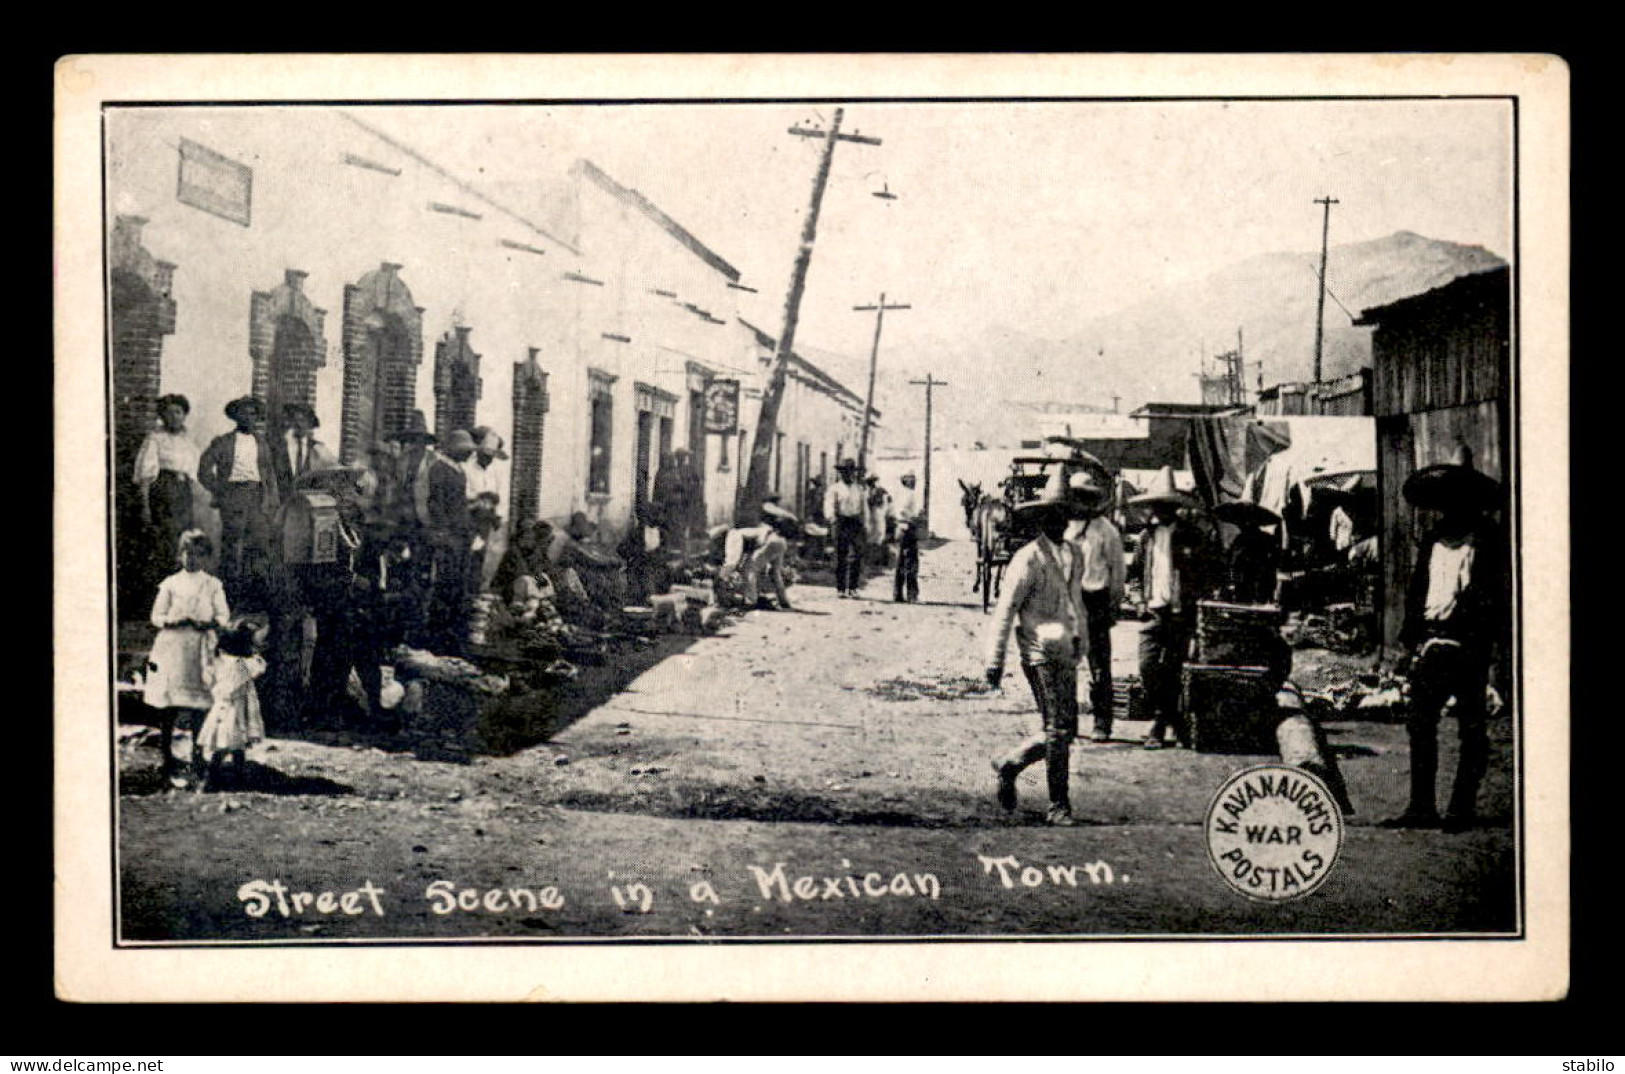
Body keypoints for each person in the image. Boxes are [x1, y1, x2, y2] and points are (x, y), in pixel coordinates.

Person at [1383, 445, 1506, 833]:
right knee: (1420, 724)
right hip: (1432, 643)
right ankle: (1422, 807)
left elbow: (1495, 596)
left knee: (1472, 728)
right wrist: (1412, 638)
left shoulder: (1488, 539)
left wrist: (1480, 631)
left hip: (1469, 643)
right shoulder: (1433, 540)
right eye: (1446, 501)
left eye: (1459, 500)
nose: (1451, 507)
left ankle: (1461, 808)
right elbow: (1418, 592)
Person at [984, 468, 1090, 826]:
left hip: (1066, 651)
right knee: (1059, 729)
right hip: (1038, 652)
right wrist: (994, 660)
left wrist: (1083, 645)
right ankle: (1058, 804)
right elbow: (1005, 609)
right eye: (1053, 516)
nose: (1060, 523)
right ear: (1043, 518)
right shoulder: (1028, 558)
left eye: (1065, 517)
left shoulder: (1074, 554)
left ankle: (1012, 762)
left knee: (1065, 729)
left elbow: (1076, 603)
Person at [1132, 466, 1215, 750]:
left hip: (1182, 613)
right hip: (1153, 611)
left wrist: (1198, 602)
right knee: (1147, 667)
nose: (1162, 509)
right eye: (1158, 504)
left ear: (1175, 507)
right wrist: (1138, 600)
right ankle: (1173, 720)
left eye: (1167, 504)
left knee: (1174, 669)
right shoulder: (1146, 538)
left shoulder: (1192, 535)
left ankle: (1160, 723)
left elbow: (1206, 574)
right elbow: (1135, 574)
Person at [142, 530, 231, 787]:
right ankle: (166, 754)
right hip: (173, 646)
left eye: (198, 554)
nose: (192, 559)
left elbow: (224, 615)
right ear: (180, 555)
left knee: (198, 703)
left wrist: (211, 623)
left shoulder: (213, 585)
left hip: (199, 648)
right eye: (187, 553)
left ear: (207, 558)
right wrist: (173, 620)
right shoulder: (170, 584)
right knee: (169, 702)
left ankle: (197, 754)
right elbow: (156, 616)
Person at [198, 396, 281, 608]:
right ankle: (229, 597)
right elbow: (204, 470)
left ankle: (252, 596)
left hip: (257, 498)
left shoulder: (262, 443)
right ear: (235, 416)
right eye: (243, 413)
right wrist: (221, 490)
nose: (249, 417)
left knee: (259, 545)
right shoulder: (224, 442)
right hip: (233, 497)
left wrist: (271, 500)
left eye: (253, 413)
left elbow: (269, 474)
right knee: (233, 546)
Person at [1066, 472, 1125, 742]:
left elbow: (1117, 573)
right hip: (1067, 601)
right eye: (1076, 496)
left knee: (1099, 664)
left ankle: (1103, 721)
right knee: (1064, 661)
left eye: (1086, 497)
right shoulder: (1064, 528)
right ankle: (1066, 721)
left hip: (1095, 601)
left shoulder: (1106, 531)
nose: (1081, 502)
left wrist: (1112, 606)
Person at [133, 394, 200, 594]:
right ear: (162, 416)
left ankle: (180, 599)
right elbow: (145, 475)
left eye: (178, 412)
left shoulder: (189, 440)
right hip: (163, 493)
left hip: (183, 494)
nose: (174, 417)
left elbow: (194, 471)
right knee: (164, 545)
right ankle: (159, 600)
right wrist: (145, 506)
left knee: (183, 543)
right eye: (168, 413)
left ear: (184, 415)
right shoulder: (155, 439)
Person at [193, 620, 267, 791]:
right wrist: (255, 654)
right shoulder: (241, 665)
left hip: (224, 708)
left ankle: (225, 778)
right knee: (229, 745)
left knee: (230, 746)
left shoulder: (221, 661)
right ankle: (211, 780)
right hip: (234, 710)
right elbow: (260, 667)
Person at [720, 503, 796, 610]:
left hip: (770, 541)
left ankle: (750, 601)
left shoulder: (733, 535)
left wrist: (723, 575)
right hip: (781, 542)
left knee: (749, 570)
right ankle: (784, 602)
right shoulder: (748, 530)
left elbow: (733, 560)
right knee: (775, 573)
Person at [1214, 500, 1283, 605]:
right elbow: (1232, 564)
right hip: (1242, 585)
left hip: (1259, 583)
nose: (1244, 524)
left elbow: (1272, 564)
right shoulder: (1239, 541)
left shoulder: (1265, 540)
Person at [824, 458, 867, 598]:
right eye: (843, 472)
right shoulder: (835, 488)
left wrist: (865, 523)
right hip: (841, 521)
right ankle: (841, 588)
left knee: (857, 555)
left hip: (855, 522)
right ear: (840, 473)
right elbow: (829, 505)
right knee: (841, 555)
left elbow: (863, 507)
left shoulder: (859, 489)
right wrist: (832, 519)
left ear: (853, 473)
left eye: (849, 472)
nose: (847, 475)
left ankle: (853, 587)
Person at [273, 402, 336, 489]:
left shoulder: (316, 448)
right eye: (295, 420)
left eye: (303, 421)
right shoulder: (280, 445)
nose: (299, 424)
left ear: (310, 424)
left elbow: (334, 469)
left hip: (306, 499)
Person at [651, 448, 695, 565]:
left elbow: (683, 490)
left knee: (677, 531)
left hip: (674, 508)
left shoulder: (676, 473)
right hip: (664, 508)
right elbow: (656, 491)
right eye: (665, 460)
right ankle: (665, 556)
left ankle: (683, 558)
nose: (667, 462)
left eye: (669, 460)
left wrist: (678, 498)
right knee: (664, 532)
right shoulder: (660, 473)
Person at [892, 471, 923, 603]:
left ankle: (898, 594)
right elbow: (902, 511)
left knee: (901, 562)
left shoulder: (900, 494)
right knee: (911, 562)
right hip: (907, 528)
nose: (914, 482)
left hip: (901, 528)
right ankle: (912, 595)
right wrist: (914, 517)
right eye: (911, 479)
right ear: (906, 480)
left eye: (914, 479)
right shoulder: (908, 494)